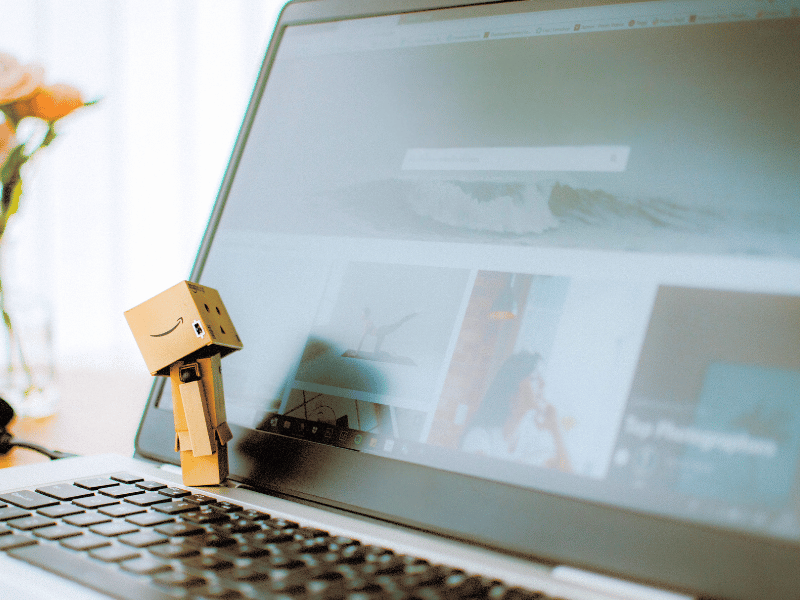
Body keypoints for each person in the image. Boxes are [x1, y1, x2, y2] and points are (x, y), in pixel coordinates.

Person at [460, 351, 572, 472]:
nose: (543, 384)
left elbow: (568, 478)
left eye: (542, 378)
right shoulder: (480, 437)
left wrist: (555, 430)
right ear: (513, 386)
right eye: (534, 378)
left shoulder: (531, 437)